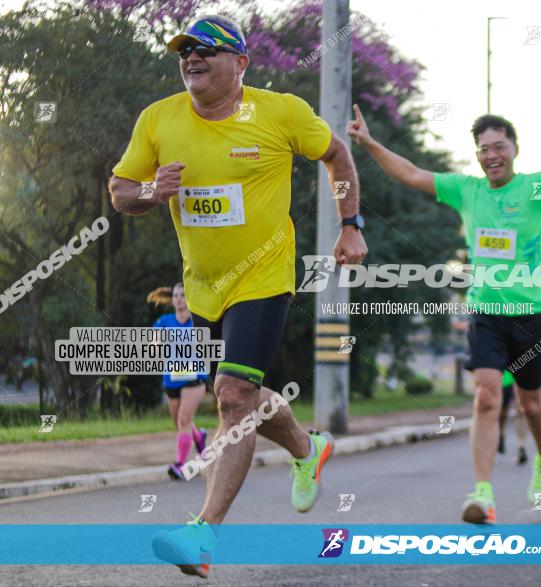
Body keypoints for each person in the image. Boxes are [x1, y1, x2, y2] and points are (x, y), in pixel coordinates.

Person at [109, 15, 367, 578]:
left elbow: (338, 157)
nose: (191, 58)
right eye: (185, 51)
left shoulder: (280, 113)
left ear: (241, 63)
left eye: (206, 50)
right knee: (239, 396)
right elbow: (121, 190)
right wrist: (152, 191)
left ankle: (202, 536)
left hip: (264, 277)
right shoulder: (159, 119)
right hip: (203, 287)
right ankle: (308, 447)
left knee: (230, 396)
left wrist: (351, 224)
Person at [348, 98, 541, 523]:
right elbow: (410, 173)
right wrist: (369, 144)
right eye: (483, 148)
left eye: (499, 146)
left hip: (534, 312)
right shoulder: (467, 190)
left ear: (515, 148)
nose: (491, 155)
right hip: (487, 310)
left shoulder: (536, 188)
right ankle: (482, 494)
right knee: (485, 395)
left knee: (532, 404)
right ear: (476, 154)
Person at [148, 283, 209, 480]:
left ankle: (180, 465)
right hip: (171, 378)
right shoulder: (165, 321)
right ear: (172, 299)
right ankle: (200, 439)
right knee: (180, 423)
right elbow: (155, 337)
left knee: (184, 419)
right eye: (176, 295)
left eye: (183, 295)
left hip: (194, 377)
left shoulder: (197, 321)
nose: (179, 299)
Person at [498, 369, 528, 465]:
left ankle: (521, 447)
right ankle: (501, 435)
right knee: (502, 414)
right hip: (506, 379)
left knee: (521, 412)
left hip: (517, 378)